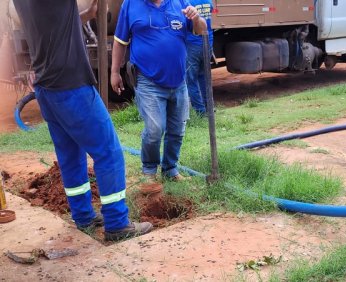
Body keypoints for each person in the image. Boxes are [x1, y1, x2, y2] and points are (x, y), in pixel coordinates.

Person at [12, 0, 153, 241]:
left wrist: (88, 14)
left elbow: (56, 24)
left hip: (47, 89)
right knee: (109, 153)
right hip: (71, 87)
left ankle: (83, 216)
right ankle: (117, 224)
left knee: (71, 156)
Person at [111, 0, 206, 181]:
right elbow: (119, 41)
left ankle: (170, 169)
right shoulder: (130, 4)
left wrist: (196, 18)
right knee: (155, 129)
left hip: (179, 80)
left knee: (177, 130)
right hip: (148, 80)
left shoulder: (180, 3)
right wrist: (115, 72)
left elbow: (201, 30)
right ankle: (149, 170)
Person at [186, 0, 213, 116]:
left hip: (192, 43)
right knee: (204, 77)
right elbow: (210, 10)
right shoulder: (208, 1)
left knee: (191, 79)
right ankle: (209, 108)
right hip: (208, 42)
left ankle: (200, 111)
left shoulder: (187, 2)